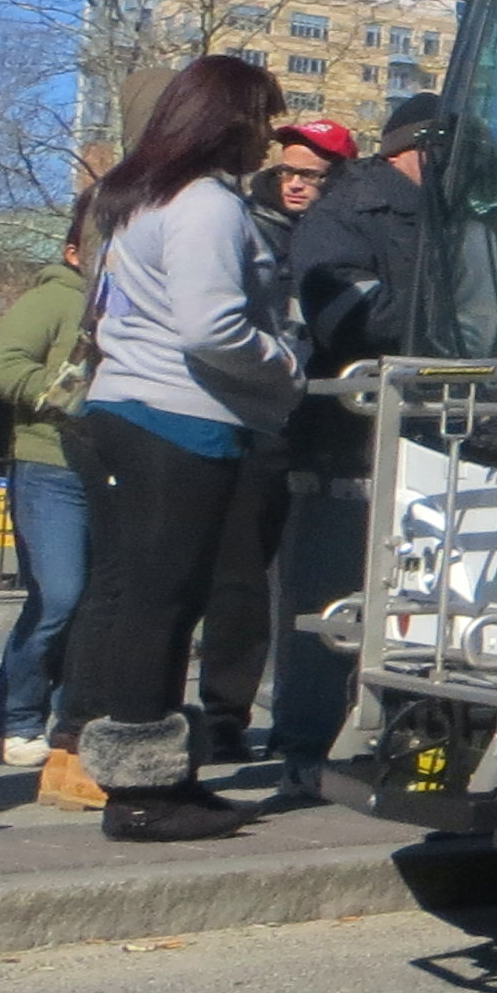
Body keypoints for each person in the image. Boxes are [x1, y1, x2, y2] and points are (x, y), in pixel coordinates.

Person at [68, 55, 306, 842]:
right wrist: (284, 365)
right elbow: (211, 327)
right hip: (178, 417)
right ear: (226, 121)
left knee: (155, 599)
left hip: (136, 410)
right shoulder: (206, 206)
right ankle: (142, 795)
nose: (269, 138)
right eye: (262, 118)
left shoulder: (140, 200)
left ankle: (161, 776)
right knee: (161, 601)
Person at [276, 93, 441, 786]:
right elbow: (348, 320)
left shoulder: (455, 220)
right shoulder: (347, 211)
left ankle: (393, 739)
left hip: (428, 442)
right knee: (333, 602)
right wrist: (449, 304)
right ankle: (308, 748)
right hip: (349, 443)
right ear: (419, 151)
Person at [190, 117, 356, 761]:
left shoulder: (343, 234)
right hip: (258, 419)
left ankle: (306, 709)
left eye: (312, 175)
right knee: (238, 575)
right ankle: (224, 713)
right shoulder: (242, 225)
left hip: (329, 423)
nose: (295, 184)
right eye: (287, 170)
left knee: (317, 580)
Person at [0, 197, 96, 775]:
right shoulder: (51, 299)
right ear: (72, 251)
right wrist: (67, 400)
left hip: (111, 470)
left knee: (92, 606)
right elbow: (6, 368)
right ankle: (18, 719)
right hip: (49, 467)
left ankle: (63, 721)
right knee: (59, 597)